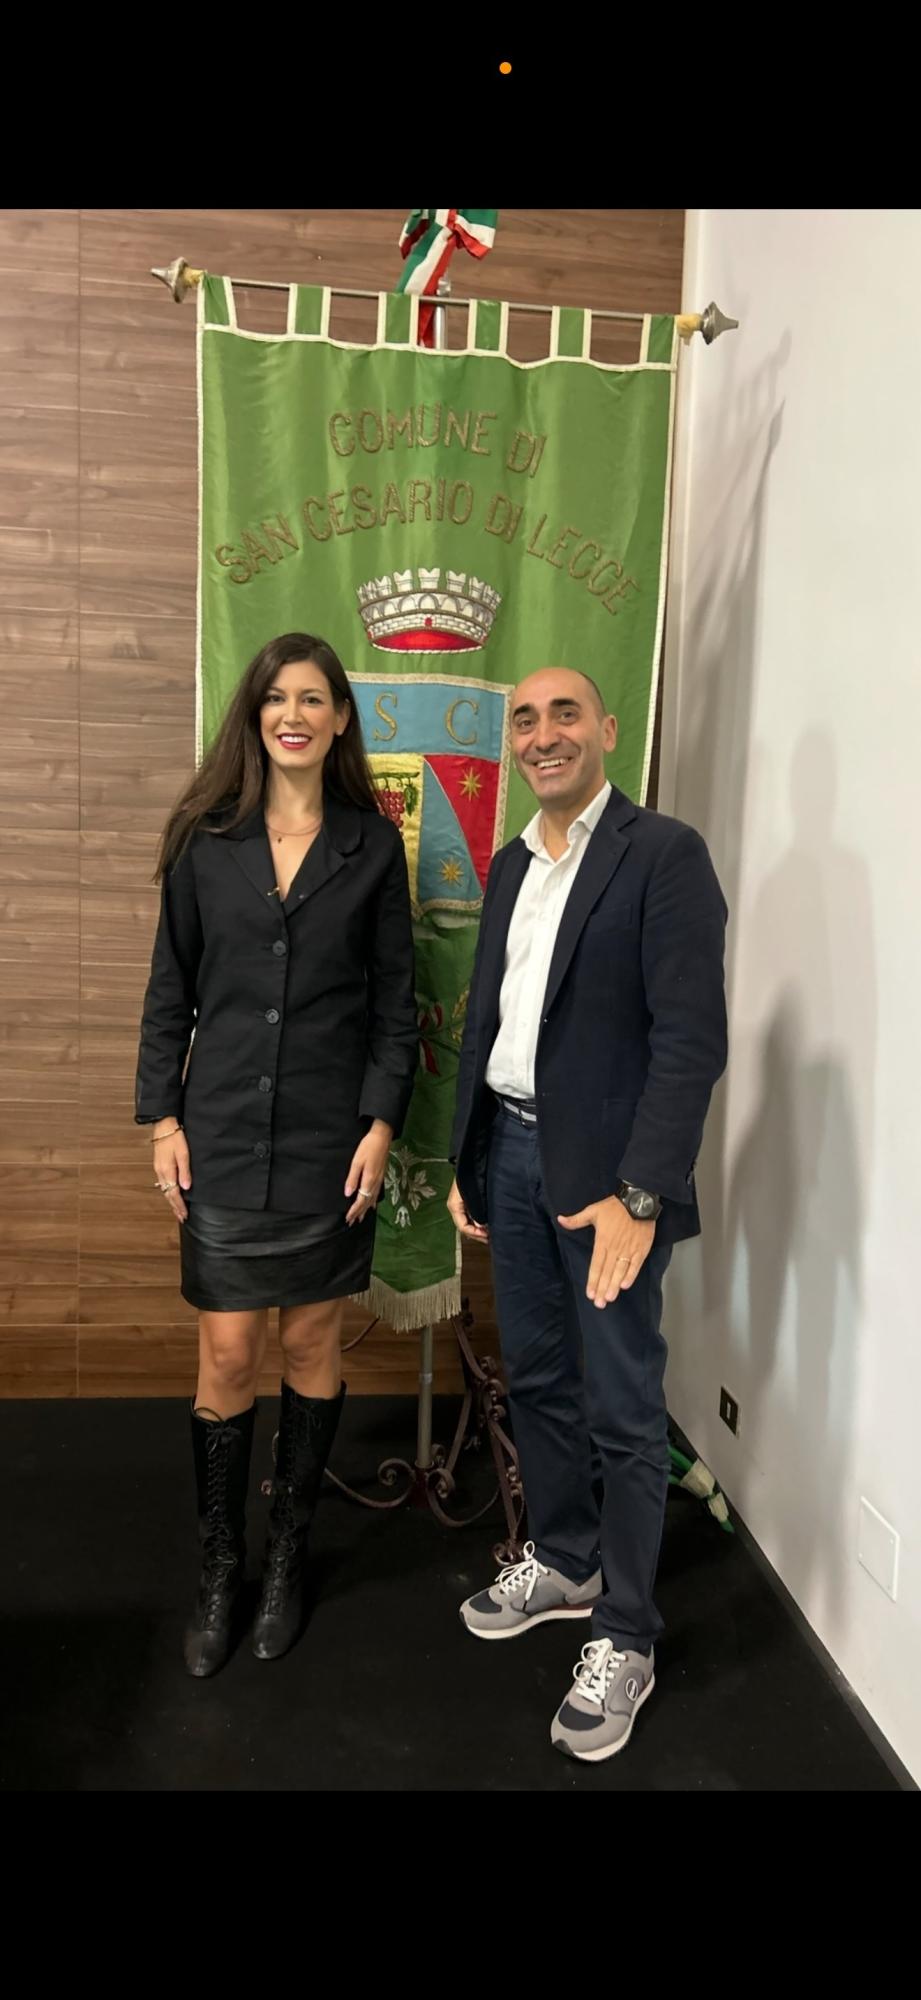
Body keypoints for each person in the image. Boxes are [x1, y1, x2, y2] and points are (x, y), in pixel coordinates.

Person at [447, 666, 727, 1762]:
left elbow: (689, 1041)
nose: (543, 734)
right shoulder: (515, 861)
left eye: (565, 713)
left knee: (621, 1405)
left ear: (607, 729)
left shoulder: (663, 854)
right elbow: (490, 1018)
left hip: (609, 1183)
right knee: (538, 1379)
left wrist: (642, 1195)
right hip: (511, 1156)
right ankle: (566, 1560)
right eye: (525, 718)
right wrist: (467, 1154)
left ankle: (628, 1632)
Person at [135, 633, 418, 1679]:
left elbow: (394, 1006)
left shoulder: (372, 847)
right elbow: (170, 988)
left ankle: (288, 1555)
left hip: (326, 1142)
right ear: (254, 716)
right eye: (275, 698)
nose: (292, 714)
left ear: (340, 719)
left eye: (312, 698)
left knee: (309, 1342)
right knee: (225, 1355)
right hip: (219, 1133)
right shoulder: (204, 839)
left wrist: (380, 1126)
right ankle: (222, 1566)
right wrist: (162, 1121)